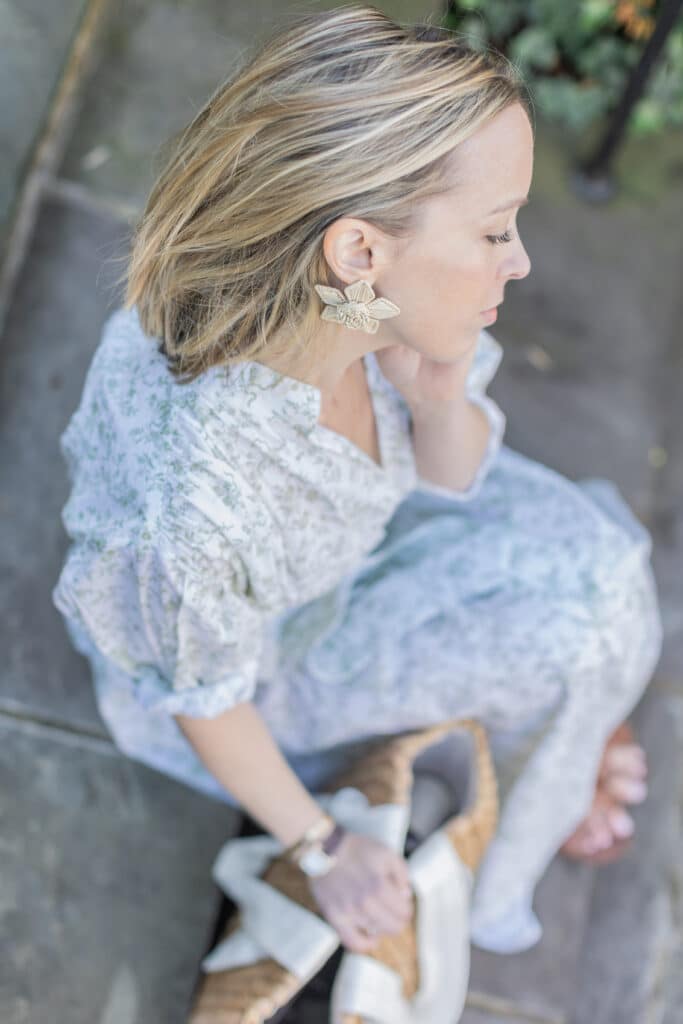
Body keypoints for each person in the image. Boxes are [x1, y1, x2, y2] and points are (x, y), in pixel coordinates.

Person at [52, 4, 663, 957]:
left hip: (354, 543)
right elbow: (205, 696)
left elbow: (454, 476)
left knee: (607, 582)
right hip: (264, 666)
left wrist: (437, 393)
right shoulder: (196, 508)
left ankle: (565, 746)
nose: (522, 260)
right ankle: (539, 782)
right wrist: (323, 847)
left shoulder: (361, 314)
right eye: (497, 231)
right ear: (361, 252)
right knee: (583, 632)